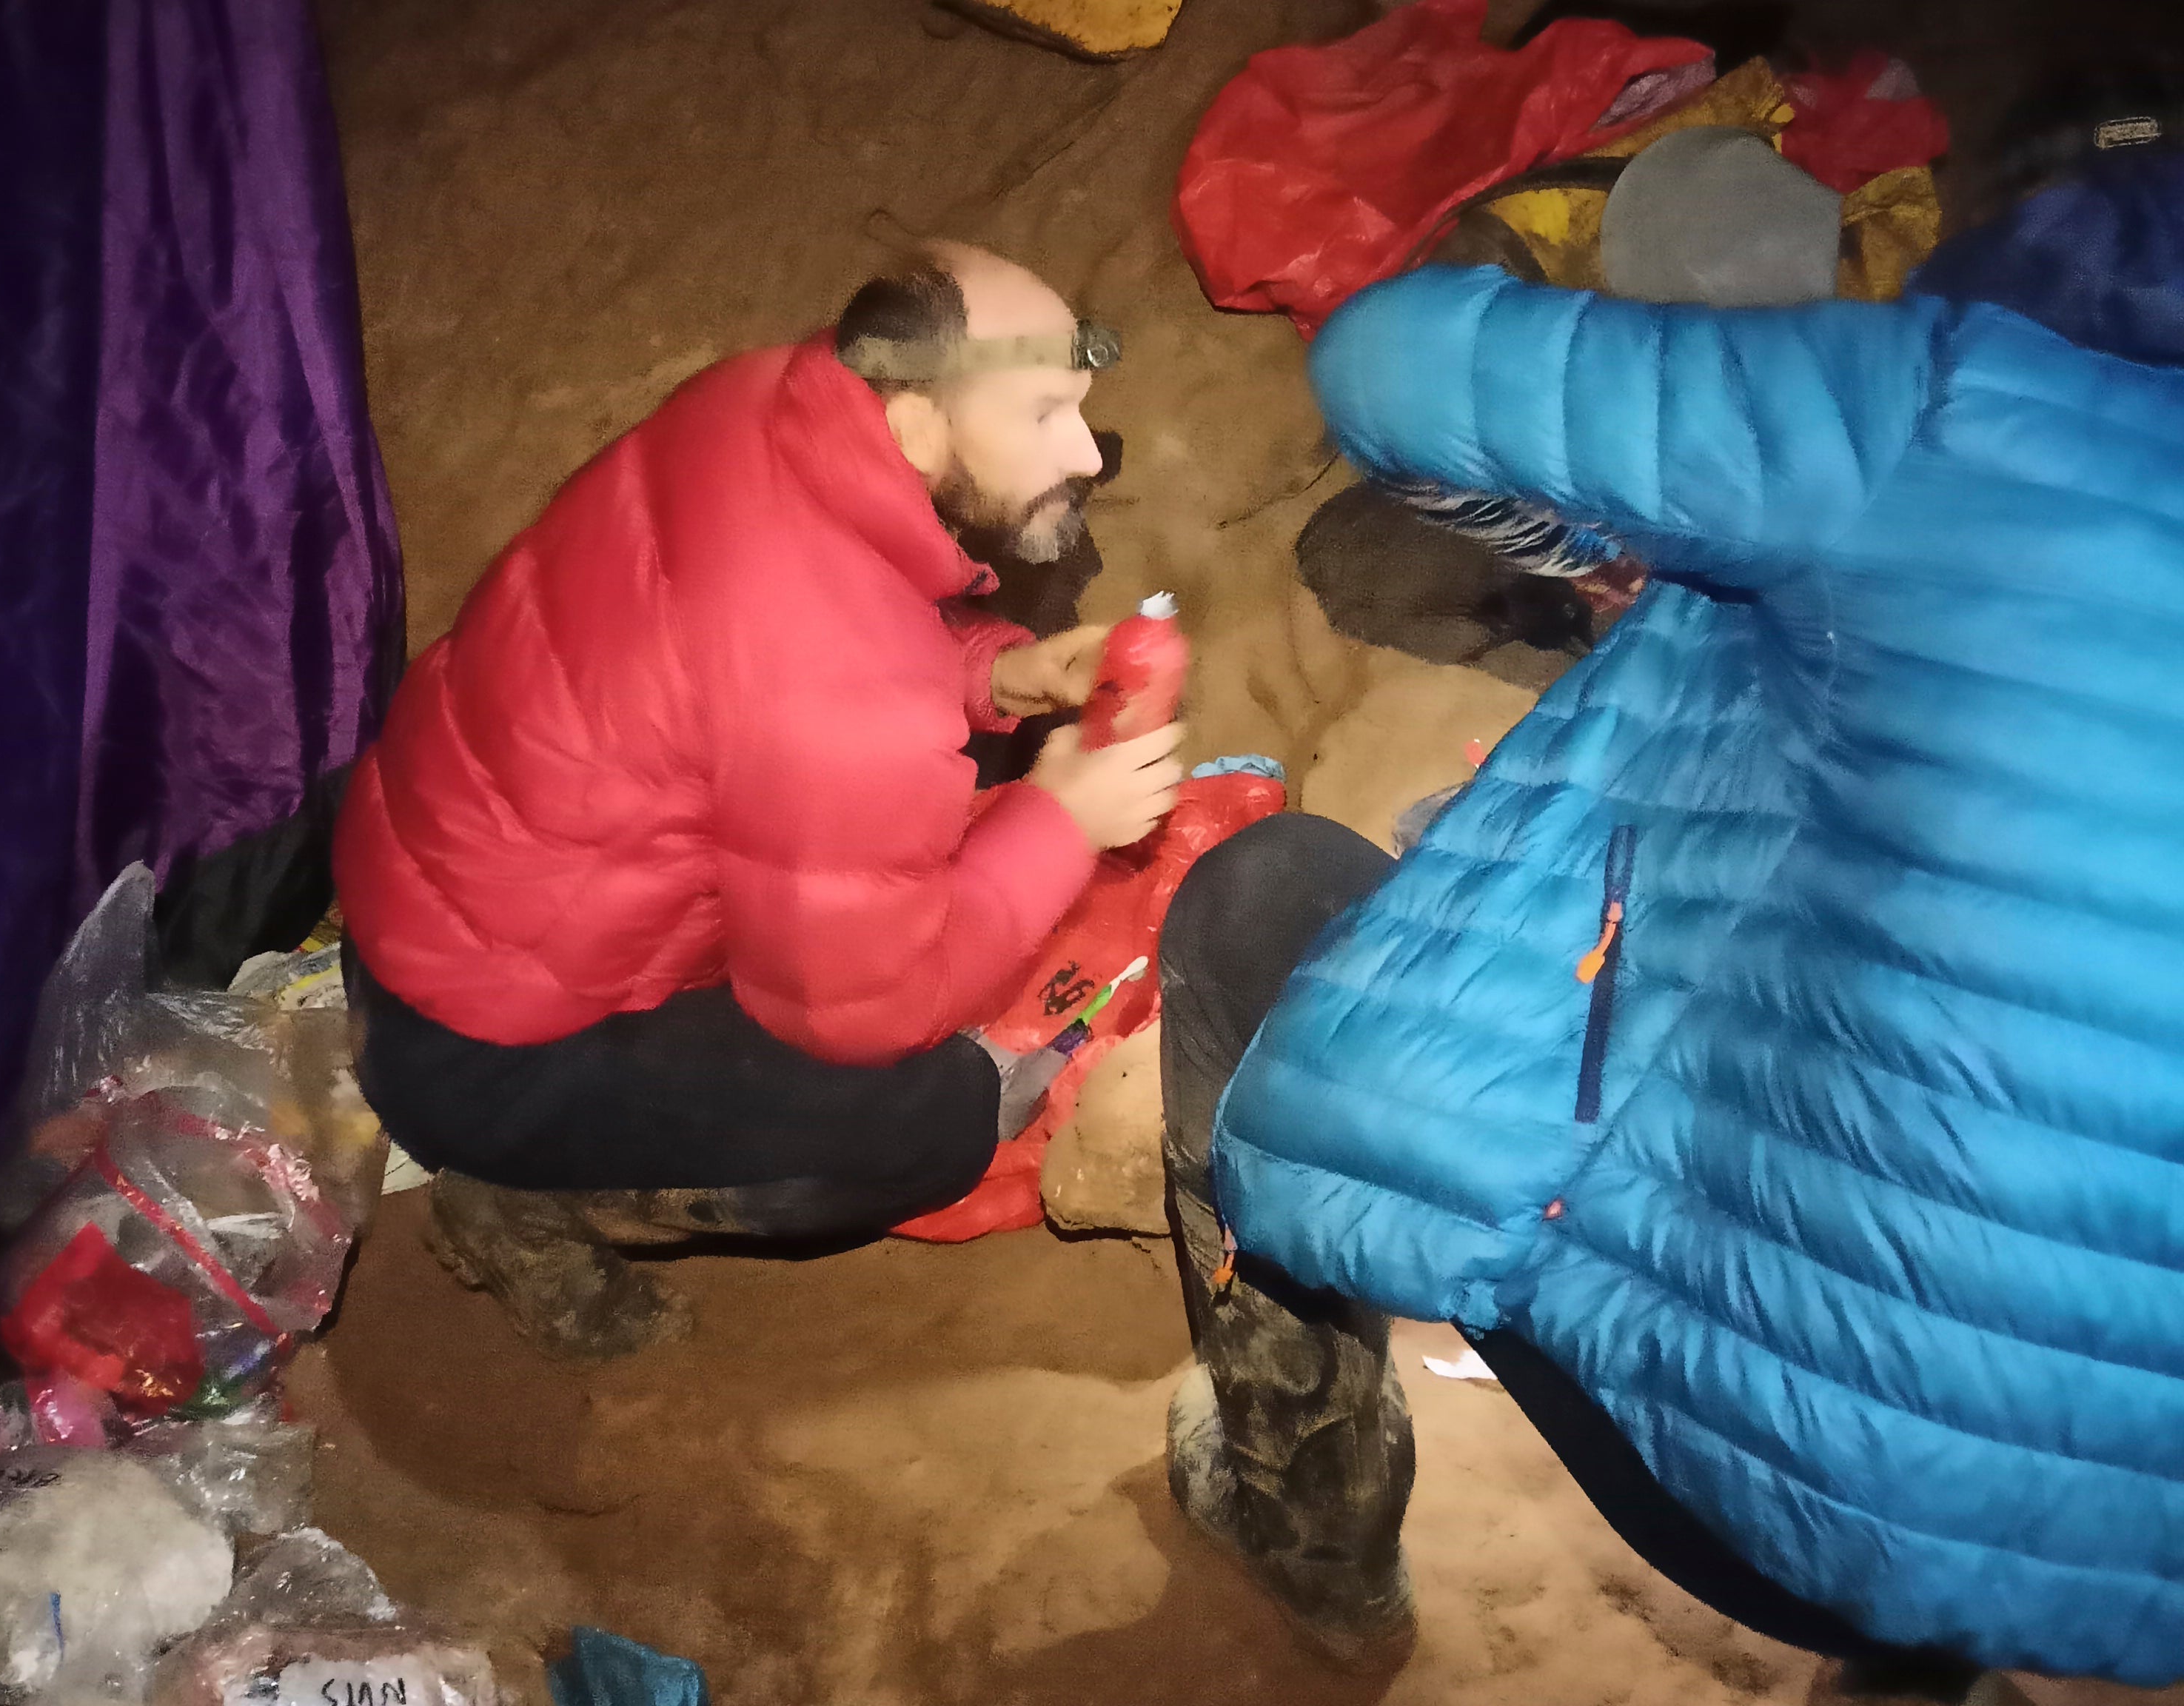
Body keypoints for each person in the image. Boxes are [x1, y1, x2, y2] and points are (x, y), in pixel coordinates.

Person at [1154, 167, 2184, 1699]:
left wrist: (1620, 544)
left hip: (1754, 1474)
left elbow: (1388, 365)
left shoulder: (1941, 407)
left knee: (1255, 900)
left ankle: (1310, 1520)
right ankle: (1912, 1670)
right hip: (2114, 1575)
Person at [333, 244, 1183, 1358]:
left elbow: (751, 651)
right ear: (919, 425)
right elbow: (870, 1008)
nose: (1081, 451)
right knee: (930, 1124)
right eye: (1039, 417)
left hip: (424, 890)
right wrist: (1063, 823)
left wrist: (989, 676)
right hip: (478, 1044)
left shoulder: (763, 398)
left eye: (1078, 405)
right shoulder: (835, 684)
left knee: (930, 796)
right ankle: (531, 1202)